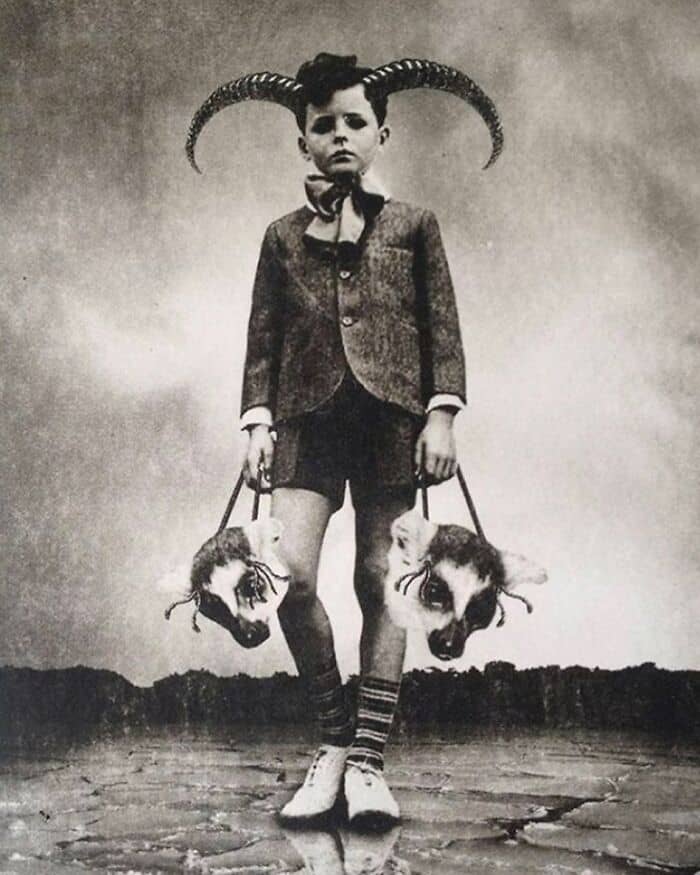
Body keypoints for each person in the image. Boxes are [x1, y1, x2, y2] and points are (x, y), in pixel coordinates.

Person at [186, 52, 502, 826]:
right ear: (303, 140)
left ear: (380, 134)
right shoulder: (280, 237)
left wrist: (441, 413)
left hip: (392, 421)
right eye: (323, 124)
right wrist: (257, 421)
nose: (339, 136)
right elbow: (262, 340)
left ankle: (367, 761)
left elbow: (442, 327)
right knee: (287, 575)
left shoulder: (414, 225)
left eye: (355, 122)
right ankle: (332, 743)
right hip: (306, 422)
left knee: (381, 578)